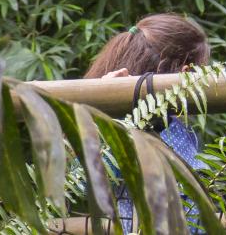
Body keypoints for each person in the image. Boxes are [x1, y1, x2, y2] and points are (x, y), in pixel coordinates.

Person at [85, 13, 212, 229]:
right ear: (186, 72)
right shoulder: (120, 127)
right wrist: (105, 112)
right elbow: (82, 182)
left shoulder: (179, 129)